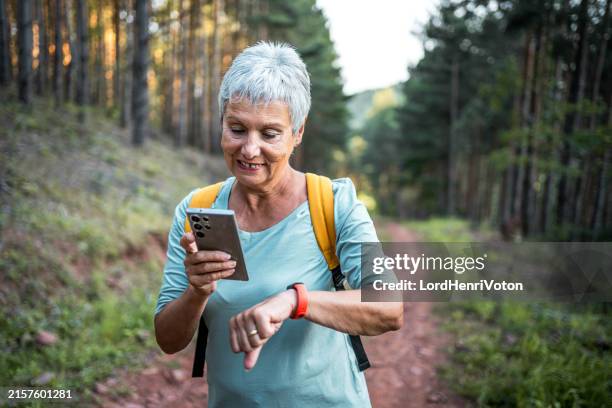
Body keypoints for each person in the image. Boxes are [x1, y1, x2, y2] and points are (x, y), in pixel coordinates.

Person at [154, 41, 403, 407]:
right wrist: (197, 291)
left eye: (269, 133)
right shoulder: (198, 210)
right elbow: (168, 339)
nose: (249, 149)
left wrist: (294, 301)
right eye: (237, 128)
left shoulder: (334, 204)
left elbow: (389, 308)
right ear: (222, 122)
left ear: (297, 132)